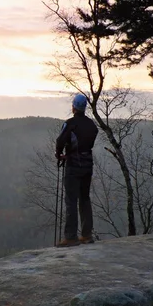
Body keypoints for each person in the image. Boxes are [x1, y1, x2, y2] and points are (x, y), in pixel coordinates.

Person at [55, 93, 99, 247]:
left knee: (71, 200)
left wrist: (59, 154)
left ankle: (71, 237)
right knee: (85, 198)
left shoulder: (70, 123)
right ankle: (87, 235)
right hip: (88, 165)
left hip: (73, 165)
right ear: (84, 108)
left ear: (74, 107)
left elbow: (60, 141)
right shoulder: (92, 125)